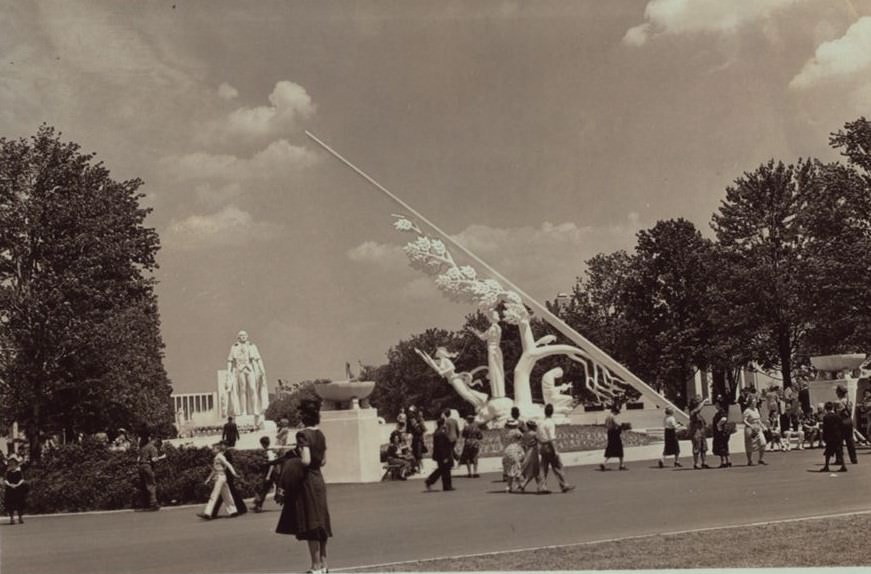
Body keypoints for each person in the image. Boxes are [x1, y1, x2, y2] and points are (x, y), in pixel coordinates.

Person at [276, 399, 332, 574]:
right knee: (321, 522)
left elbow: (306, 460)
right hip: (318, 480)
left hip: (306, 481)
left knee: (310, 523)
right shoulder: (321, 434)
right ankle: (324, 563)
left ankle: (315, 566)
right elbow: (322, 461)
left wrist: (293, 460)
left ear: (303, 417)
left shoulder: (303, 435)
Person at [226, 330, 269, 418]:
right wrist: (228, 372)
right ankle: (244, 411)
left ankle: (255, 409)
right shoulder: (234, 347)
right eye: (241, 335)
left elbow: (258, 358)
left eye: (245, 335)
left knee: (253, 388)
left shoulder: (252, 346)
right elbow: (230, 360)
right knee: (242, 390)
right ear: (238, 337)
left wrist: (262, 369)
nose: (243, 337)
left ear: (247, 336)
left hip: (250, 369)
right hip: (240, 369)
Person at [467, 309, 506, 397]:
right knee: (497, 370)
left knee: (495, 370)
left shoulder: (494, 328)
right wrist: (474, 330)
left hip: (493, 349)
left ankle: (498, 393)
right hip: (496, 349)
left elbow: (483, 337)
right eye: (496, 315)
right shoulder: (495, 327)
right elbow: (483, 337)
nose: (498, 316)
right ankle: (498, 392)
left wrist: (474, 330)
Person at [537, 404, 575, 493]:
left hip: (542, 445)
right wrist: (556, 450)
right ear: (552, 412)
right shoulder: (550, 423)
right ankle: (564, 485)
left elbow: (538, 436)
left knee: (543, 467)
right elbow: (552, 438)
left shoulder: (540, 423)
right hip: (549, 446)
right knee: (557, 466)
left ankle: (541, 486)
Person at [198, 442, 240, 519]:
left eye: (214, 449)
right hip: (221, 477)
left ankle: (207, 513)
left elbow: (228, 464)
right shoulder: (216, 457)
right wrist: (208, 479)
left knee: (214, 495)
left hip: (220, 477)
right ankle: (233, 511)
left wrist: (234, 473)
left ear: (218, 449)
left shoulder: (220, 456)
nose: (212, 450)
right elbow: (214, 470)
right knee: (226, 495)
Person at [424, 417, 455, 492]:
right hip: (443, 455)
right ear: (442, 424)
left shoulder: (437, 432)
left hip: (439, 455)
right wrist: (445, 456)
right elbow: (442, 446)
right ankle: (431, 481)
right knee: (444, 470)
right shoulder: (441, 433)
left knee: (443, 470)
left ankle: (446, 485)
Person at [137, 437, 166, 511]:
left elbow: (138, 458)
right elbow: (154, 459)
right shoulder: (152, 448)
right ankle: (154, 503)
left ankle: (144, 503)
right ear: (157, 443)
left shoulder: (144, 447)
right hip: (147, 467)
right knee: (151, 485)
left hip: (141, 466)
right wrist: (162, 457)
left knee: (145, 485)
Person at [820, 401, 847, 473]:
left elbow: (825, 428)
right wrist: (842, 436)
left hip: (830, 436)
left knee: (828, 452)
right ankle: (843, 465)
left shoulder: (826, 417)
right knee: (839, 451)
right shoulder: (838, 416)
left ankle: (826, 466)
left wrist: (824, 437)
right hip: (838, 436)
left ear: (826, 408)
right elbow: (842, 426)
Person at [253, 436, 278, 513]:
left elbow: (272, 465)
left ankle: (258, 505)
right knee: (264, 489)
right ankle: (258, 505)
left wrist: (268, 475)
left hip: (272, 473)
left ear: (263, 444)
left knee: (265, 489)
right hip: (272, 473)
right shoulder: (270, 451)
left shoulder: (269, 452)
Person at [835, 385, 858, 464]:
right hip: (849, 420)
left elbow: (838, 413)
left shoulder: (839, 402)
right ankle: (853, 458)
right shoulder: (849, 401)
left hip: (842, 421)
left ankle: (839, 459)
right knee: (850, 440)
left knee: (838, 441)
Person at [519, 419, 544, 492]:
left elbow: (523, 444)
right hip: (534, 451)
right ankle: (539, 487)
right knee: (536, 470)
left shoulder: (525, 434)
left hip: (527, 451)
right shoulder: (534, 434)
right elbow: (540, 440)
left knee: (534, 471)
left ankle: (538, 486)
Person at [601, 403, 627, 471]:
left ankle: (604, 463)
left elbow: (605, 424)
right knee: (619, 448)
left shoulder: (607, 417)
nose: (617, 414)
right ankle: (621, 464)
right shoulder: (613, 417)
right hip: (615, 433)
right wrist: (621, 426)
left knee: (610, 448)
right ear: (615, 411)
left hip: (609, 432)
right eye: (617, 413)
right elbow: (616, 424)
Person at [687, 396, 711, 469]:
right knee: (696, 448)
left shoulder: (699, 415)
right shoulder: (692, 412)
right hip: (695, 432)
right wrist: (704, 401)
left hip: (702, 432)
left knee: (703, 448)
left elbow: (704, 422)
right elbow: (698, 409)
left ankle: (704, 462)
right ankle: (696, 463)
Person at [743, 399, 767, 466]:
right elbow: (744, 420)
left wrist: (763, 426)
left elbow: (758, 420)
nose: (755, 403)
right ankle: (749, 460)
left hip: (757, 428)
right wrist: (750, 425)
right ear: (750, 403)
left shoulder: (756, 409)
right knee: (750, 445)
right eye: (753, 402)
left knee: (763, 442)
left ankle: (760, 459)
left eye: (755, 402)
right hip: (750, 428)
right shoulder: (747, 411)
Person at [3, 456, 27, 524]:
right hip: (10, 490)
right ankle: (12, 519)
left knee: (20, 504)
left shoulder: (19, 472)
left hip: (18, 490)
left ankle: (20, 518)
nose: (12, 465)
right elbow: (5, 480)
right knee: (11, 504)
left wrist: (17, 485)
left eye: (13, 463)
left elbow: (22, 479)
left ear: (16, 464)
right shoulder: (7, 472)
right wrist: (10, 485)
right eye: (10, 464)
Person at [712, 400, 732, 468]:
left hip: (721, 432)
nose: (715, 406)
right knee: (725, 445)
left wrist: (718, 425)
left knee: (722, 446)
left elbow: (724, 419)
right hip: (723, 432)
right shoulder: (721, 412)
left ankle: (723, 461)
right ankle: (728, 460)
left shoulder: (721, 412)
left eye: (716, 404)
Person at [407, 406, 426, 473]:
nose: (410, 415)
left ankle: (421, 468)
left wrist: (416, 425)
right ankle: (418, 468)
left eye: (411, 412)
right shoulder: (411, 422)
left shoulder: (418, 422)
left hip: (418, 440)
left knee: (418, 455)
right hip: (415, 440)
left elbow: (422, 431)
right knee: (415, 454)